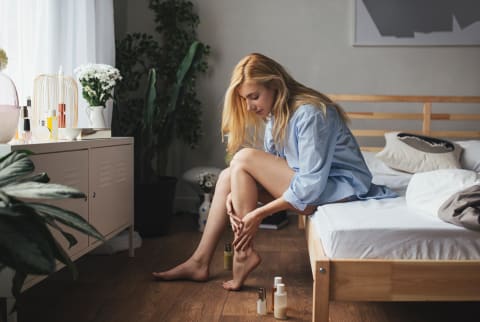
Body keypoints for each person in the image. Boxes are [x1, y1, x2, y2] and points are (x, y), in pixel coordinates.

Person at [152, 53, 396, 290]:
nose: (248, 106)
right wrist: (233, 194)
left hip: (339, 187)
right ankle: (200, 261)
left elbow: (309, 185)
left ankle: (242, 254)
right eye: (245, 99)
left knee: (243, 157)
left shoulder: (311, 113)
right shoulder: (276, 117)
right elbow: (279, 171)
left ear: (275, 85)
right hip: (311, 189)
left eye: (254, 96)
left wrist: (258, 213)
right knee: (228, 176)